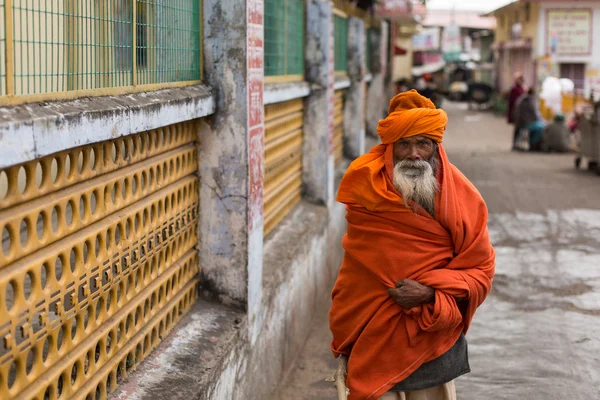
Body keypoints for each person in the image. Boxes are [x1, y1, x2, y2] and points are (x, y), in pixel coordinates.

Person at [329, 90, 496, 400]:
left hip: (429, 330)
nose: (414, 154)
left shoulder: (463, 197)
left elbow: (481, 268)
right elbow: (361, 258)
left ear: (436, 148)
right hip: (370, 321)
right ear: (389, 148)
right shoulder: (365, 183)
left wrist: (431, 292)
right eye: (404, 144)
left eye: (423, 143)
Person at [508, 73, 526, 150]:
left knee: (520, 128)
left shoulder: (522, 88)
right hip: (516, 112)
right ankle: (515, 144)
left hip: (522, 111)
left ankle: (518, 144)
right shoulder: (515, 88)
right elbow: (511, 102)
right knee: (517, 128)